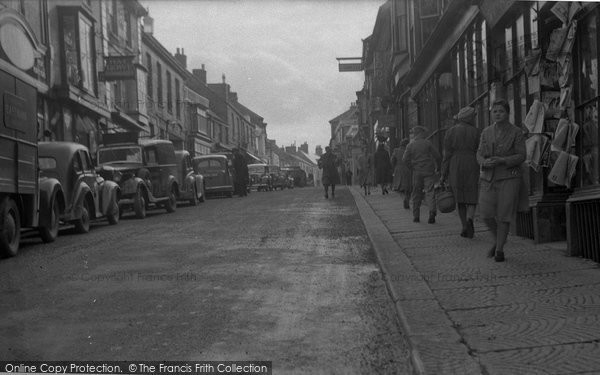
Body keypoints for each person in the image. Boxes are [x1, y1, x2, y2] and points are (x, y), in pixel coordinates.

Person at [477, 99, 526, 262]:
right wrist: (484, 162)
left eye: (501, 111)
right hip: (489, 177)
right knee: (485, 213)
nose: (497, 114)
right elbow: (479, 153)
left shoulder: (516, 132)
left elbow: (521, 155)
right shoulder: (486, 132)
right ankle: (500, 238)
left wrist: (503, 161)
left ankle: (499, 250)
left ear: (508, 113)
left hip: (509, 177)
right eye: (494, 111)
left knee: (504, 215)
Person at [441, 106, 481, 238]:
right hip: (471, 162)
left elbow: (447, 155)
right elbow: (480, 150)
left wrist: (443, 173)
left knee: (460, 198)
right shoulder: (476, 132)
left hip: (455, 163)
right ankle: (470, 218)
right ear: (470, 118)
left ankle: (464, 226)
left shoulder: (450, 132)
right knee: (471, 193)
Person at [403, 126, 442, 223]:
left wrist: (411, 166)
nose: (425, 134)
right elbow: (437, 156)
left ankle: (416, 216)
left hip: (417, 172)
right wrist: (438, 167)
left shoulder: (410, 145)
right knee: (430, 192)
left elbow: (405, 159)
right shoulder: (427, 143)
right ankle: (432, 212)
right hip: (428, 171)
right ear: (420, 133)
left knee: (416, 193)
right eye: (424, 133)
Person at [391, 138, 412, 209]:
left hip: (398, 169)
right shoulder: (409, 150)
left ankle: (404, 198)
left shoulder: (396, 151)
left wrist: (394, 167)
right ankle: (407, 199)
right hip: (407, 169)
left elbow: (392, 160)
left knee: (399, 186)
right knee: (408, 187)